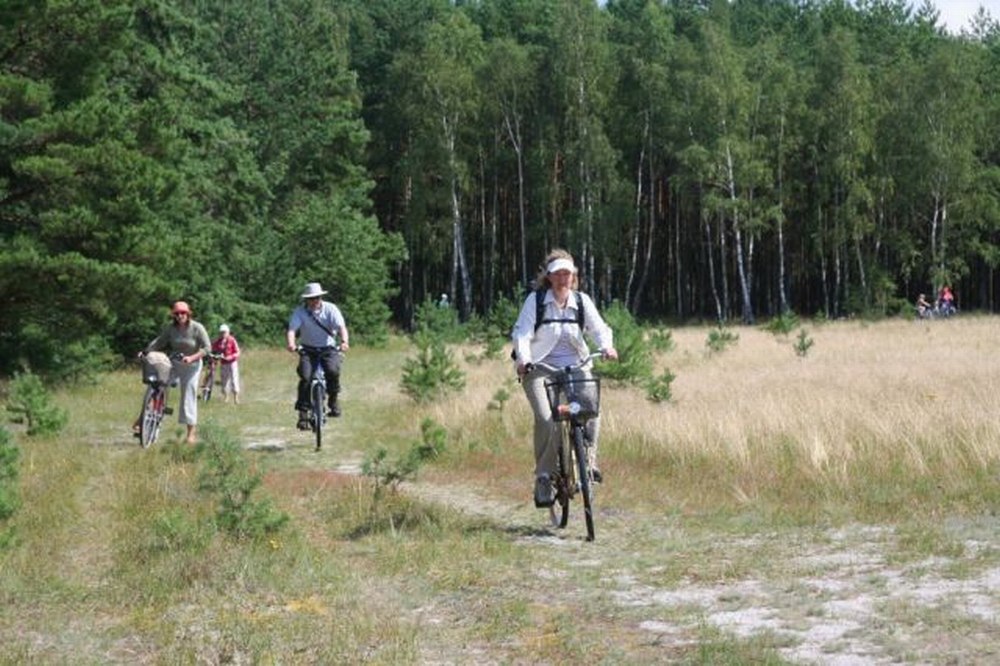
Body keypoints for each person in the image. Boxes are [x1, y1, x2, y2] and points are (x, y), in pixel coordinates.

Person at [511, 249, 618, 509]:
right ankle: (544, 477)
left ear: (573, 277)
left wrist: (606, 346)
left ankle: (589, 462)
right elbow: (522, 333)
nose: (562, 278)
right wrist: (524, 360)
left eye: (567, 274)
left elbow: (599, 328)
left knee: (591, 409)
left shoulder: (581, 301)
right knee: (548, 420)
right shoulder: (535, 301)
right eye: (557, 274)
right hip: (540, 368)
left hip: (576, 366)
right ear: (549, 277)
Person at [134, 300, 211, 444]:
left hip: (192, 365)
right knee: (158, 384)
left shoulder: (197, 328)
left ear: (188, 314)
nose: (180, 315)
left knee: (188, 394)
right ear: (174, 315)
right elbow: (159, 342)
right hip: (174, 362)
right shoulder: (171, 329)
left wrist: (192, 357)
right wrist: (145, 351)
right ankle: (143, 418)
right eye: (177, 313)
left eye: (183, 313)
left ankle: (191, 433)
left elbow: (207, 348)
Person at [286, 282, 350, 428]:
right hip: (308, 349)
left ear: (321, 297)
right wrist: (291, 343)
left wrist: (344, 341)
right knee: (305, 376)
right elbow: (292, 330)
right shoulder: (300, 312)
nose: (315, 301)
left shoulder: (331, 309)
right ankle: (303, 414)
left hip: (328, 348)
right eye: (311, 298)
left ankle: (333, 400)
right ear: (306, 299)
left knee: (333, 371)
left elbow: (341, 327)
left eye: (317, 297)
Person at [212, 323, 242, 404]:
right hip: (223, 363)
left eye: (224, 332)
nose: (222, 334)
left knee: (234, 379)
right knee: (224, 380)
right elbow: (213, 350)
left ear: (228, 332)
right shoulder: (218, 342)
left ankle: (236, 398)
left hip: (232, 363)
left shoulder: (232, 340)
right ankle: (226, 397)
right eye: (221, 332)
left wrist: (231, 356)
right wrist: (215, 357)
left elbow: (238, 352)